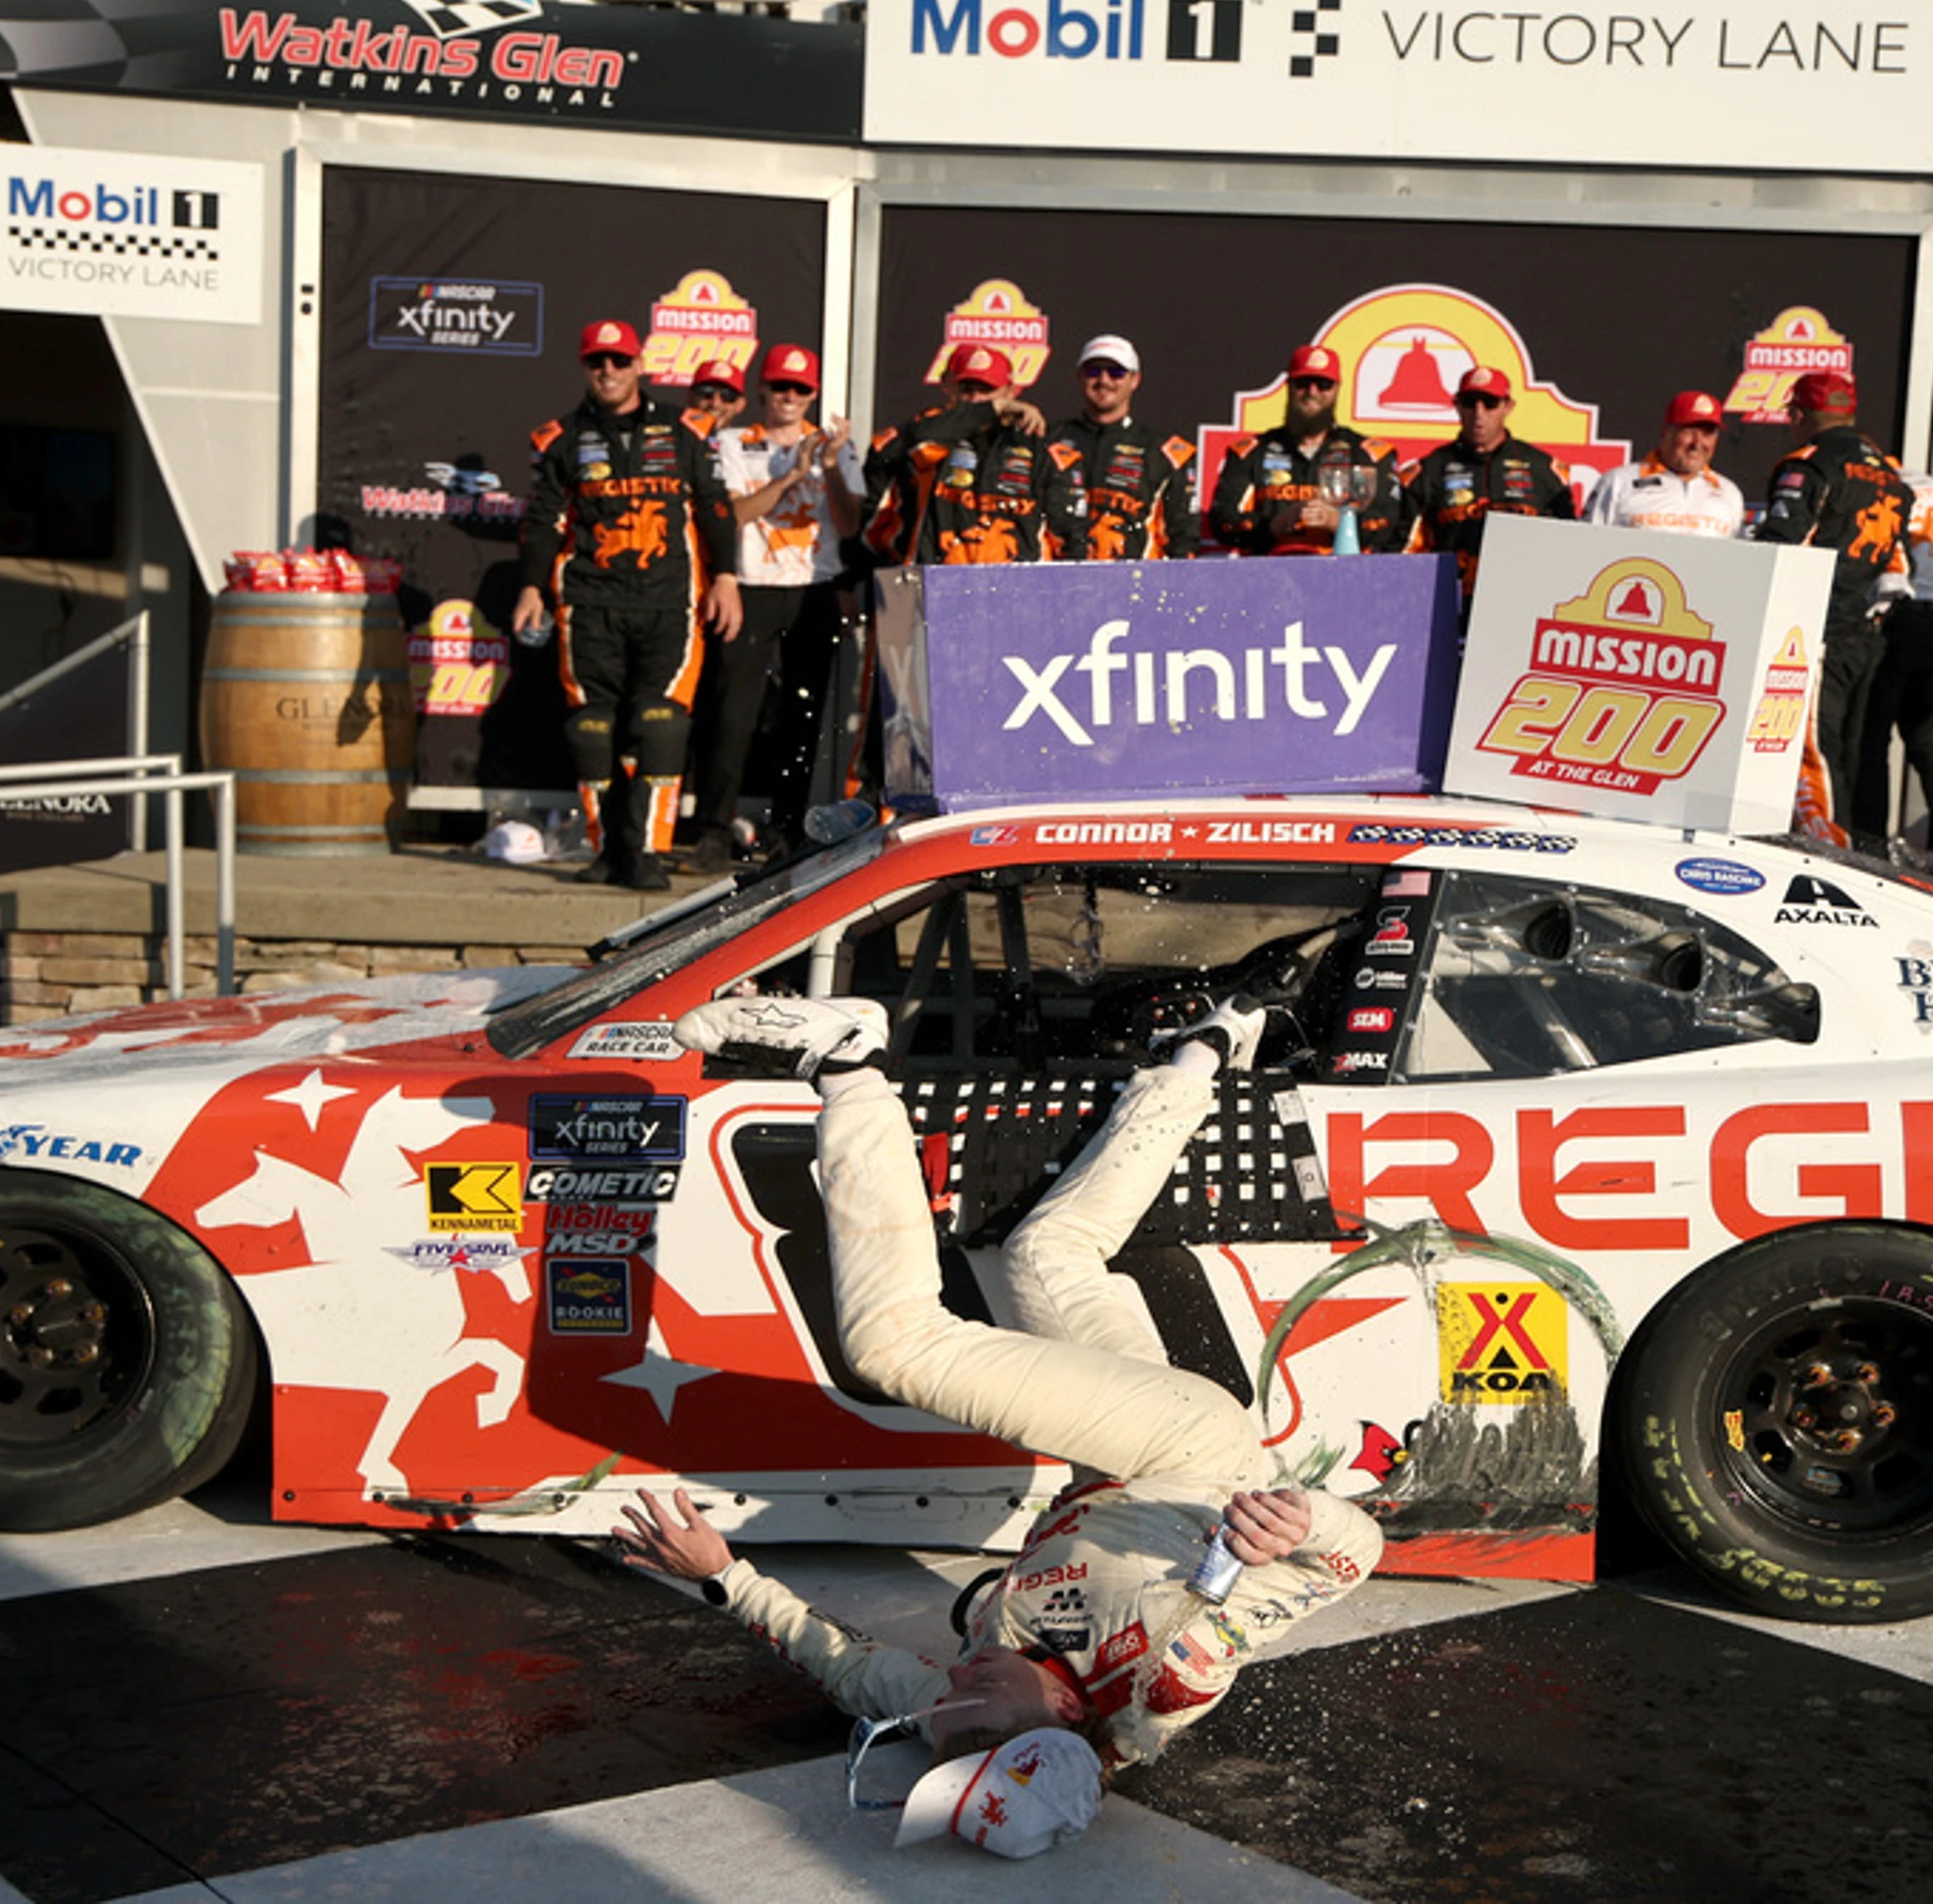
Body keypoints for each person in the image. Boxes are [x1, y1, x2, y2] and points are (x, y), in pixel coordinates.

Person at [615, 993, 1383, 1854]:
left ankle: (1203, 1048)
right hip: (1187, 1448)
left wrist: (722, 1576)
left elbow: (847, 1669)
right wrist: (1308, 1522)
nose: (950, 1688)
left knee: (1045, 1256)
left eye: (939, 1721)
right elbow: (1354, 1562)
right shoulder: (1168, 1672)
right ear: (1062, 1710)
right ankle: (846, 1062)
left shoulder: (953, 1708)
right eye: (971, 1705)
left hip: (1114, 1460)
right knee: (896, 1346)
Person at [517, 319, 743, 889]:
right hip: (589, 604)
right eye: (598, 361)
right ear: (585, 367)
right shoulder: (560, 438)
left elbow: (715, 508)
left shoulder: (686, 429)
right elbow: (544, 522)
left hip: (670, 603)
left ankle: (644, 851)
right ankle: (608, 849)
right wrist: (530, 586)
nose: (609, 371)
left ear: (640, 365)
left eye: (619, 360)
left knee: (659, 724)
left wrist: (728, 578)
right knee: (592, 729)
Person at [695, 342, 864, 871]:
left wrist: (830, 467)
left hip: (814, 588)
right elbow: (732, 516)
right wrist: (792, 476)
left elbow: (853, 523)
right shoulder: (731, 443)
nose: (789, 397)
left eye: (801, 389)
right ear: (762, 390)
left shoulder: (834, 446)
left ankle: (787, 829)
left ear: (812, 394)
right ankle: (713, 830)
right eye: (780, 387)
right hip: (750, 587)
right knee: (732, 714)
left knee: (803, 715)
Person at [1751, 374, 1913, 843]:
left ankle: (1826, 855)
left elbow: (1781, 546)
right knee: (1850, 754)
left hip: (1814, 631)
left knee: (1813, 752)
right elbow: (1898, 567)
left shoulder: (1810, 465)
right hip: (1865, 634)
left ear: (1799, 416)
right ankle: (1857, 848)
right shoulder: (1891, 476)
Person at [1865, 462, 1933, 873]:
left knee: (1871, 738)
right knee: (1924, 734)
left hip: (1894, 617)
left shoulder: (1878, 488)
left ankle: (1867, 845)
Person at [860, 344, 1054, 567]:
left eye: (987, 390)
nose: (976, 399)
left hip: (1015, 585)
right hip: (934, 576)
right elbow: (919, 443)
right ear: (949, 387)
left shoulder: (1032, 445)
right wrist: (991, 409)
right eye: (967, 389)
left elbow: (1059, 526)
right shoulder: (932, 432)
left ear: (1010, 391)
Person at [1403, 364, 1576, 610]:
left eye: (1490, 403)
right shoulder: (1429, 471)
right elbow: (1402, 550)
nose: (1479, 413)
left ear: (1508, 406)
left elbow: (1568, 551)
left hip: (1522, 606)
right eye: (1469, 403)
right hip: (1448, 607)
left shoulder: (1544, 471)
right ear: (1457, 406)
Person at [1205, 346, 1408, 556]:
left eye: (1323, 384)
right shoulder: (1250, 453)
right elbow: (1223, 522)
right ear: (1288, 386)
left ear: (1337, 388)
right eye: (1302, 383)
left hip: (1345, 575)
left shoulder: (1369, 454)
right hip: (1269, 573)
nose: (1312, 393)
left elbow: (1391, 526)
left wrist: (1339, 523)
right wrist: (1272, 526)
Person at [1044, 334, 1200, 562]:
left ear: (1135, 380)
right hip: (1059, 581)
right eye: (1093, 371)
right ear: (1079, 376)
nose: (1104, 380)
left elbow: (1183, 537)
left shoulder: (1164, 451)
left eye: (1116, 372)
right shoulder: (1048, 440)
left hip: (1135, 583)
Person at [1584, 393, 1746, 537]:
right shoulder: (1618, 482)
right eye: (1689, 430)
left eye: (1707, 433)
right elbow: (1587, 545)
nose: (1697, 443)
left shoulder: (1729, 493)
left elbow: (1740, 562)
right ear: (1665, 431)